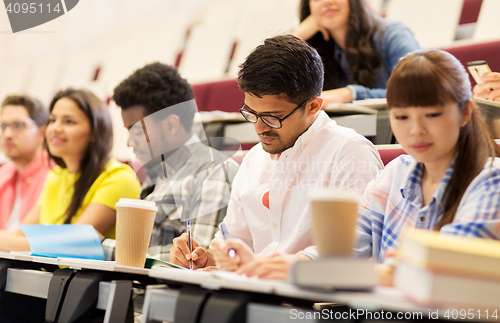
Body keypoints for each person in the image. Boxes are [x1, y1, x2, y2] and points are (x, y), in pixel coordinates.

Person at [169, 34, 383, 278]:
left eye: (272, 117)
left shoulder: (349, 153)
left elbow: (356, 250)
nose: (259, 128)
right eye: (251, 113)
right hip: (258, 296)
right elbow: (234, 246)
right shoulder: (254, 160)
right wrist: (208, 257)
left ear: (313, 106)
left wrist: (291, 267)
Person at [355, 49, 500, 286]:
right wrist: (299, 263)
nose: (416, 130)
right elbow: (344, 247)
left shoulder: (492, 181)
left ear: (465, 112)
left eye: (432, 114)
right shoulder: (394, 172)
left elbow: (449, 271)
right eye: (402, 117)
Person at [111, 62, 239, 261]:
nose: (130, 141)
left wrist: (110, 251)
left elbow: (195, 260)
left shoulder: (212, 171)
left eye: (137, 130)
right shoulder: (158, 170)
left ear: (171, 124)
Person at [0, 88, 141, 251]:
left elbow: (70, 246)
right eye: (52, 120)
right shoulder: (56, 176)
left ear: (95, 131)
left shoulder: (118, 178)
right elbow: (20, 235)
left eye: (69, 122)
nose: (55, 129)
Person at [293, 0, 420, 105]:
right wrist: (297, 36)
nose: (327, 2)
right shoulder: (321, 49)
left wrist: (349, 94)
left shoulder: (394, 35)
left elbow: (416, 91)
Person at [0, 95, 50, 231]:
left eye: (18, 125)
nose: (8, 134)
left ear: (42, 133)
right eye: (3, 126)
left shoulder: (55, 174)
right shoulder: (4, 172)